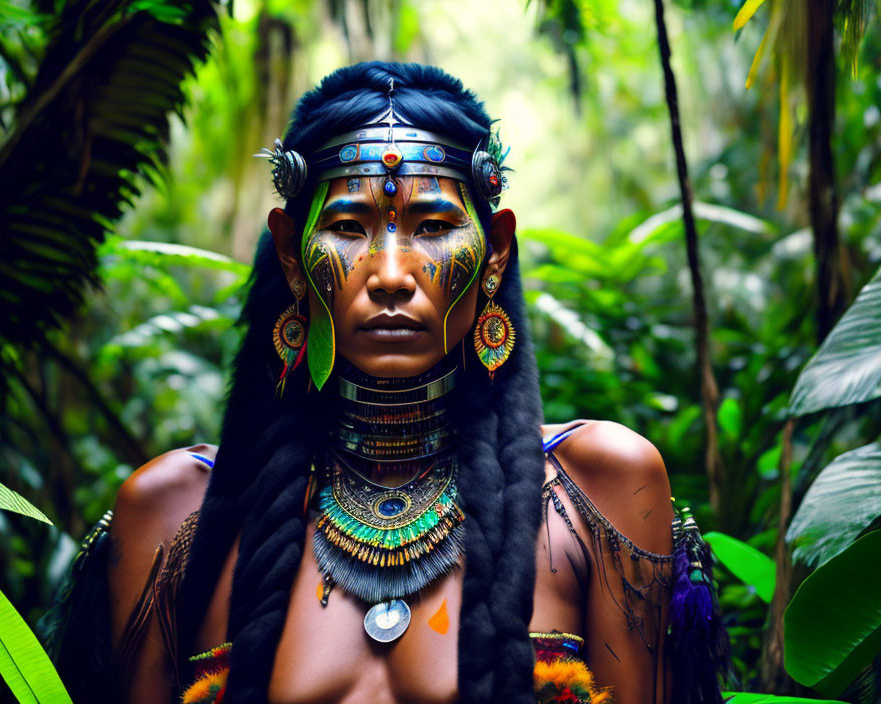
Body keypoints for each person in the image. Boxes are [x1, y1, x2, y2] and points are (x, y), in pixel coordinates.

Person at [51, 62, 727, 704]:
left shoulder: (598, 491)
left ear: (494, 252)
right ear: (292, 254)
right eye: (348, 227)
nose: (392, 274)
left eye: (434, 227)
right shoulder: (172, 515)